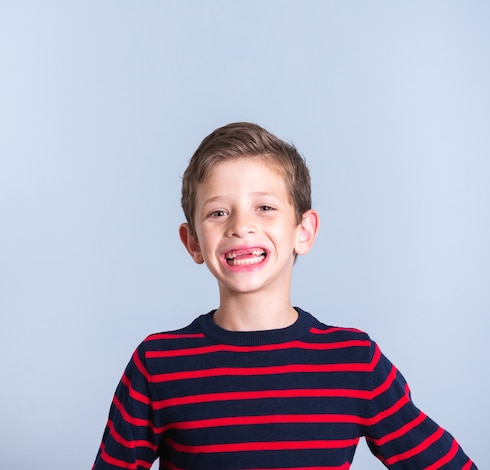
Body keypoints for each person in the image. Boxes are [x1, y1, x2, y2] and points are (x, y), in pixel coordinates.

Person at [92, 122, 476, 469]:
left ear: (303, 231)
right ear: (192, 241)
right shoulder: (157, 364)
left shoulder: (355, 362)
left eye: (264, 208)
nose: (241, 226)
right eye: (218, 213)